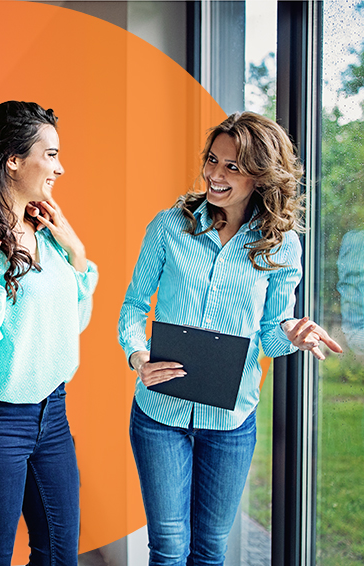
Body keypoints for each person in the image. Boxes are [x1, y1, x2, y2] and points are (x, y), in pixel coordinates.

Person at [118, 111, 343, 565]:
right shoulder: (169, 226)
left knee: (210, 549)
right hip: (161, 414)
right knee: (168, 545)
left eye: (232, 167)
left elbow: (269, 333)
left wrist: (292, 335)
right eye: (212, 160)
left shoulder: (281, 245)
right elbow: (133, 308)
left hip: (231, 423)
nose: (215, 175)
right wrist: (138, 357)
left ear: (260, 175)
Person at [0, 101, 98, 565]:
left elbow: (74, 323)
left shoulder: (47, 231)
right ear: (13, 160)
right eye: (49, 154)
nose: (59, 167)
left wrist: (77, 252)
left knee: (58, 555)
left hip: (53, 413)